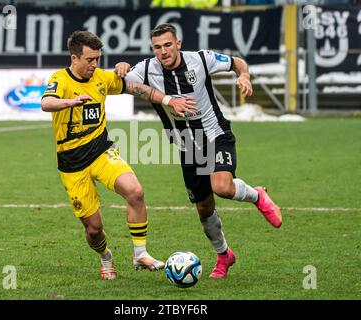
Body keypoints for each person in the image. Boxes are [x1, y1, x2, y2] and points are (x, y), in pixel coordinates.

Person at [121, 23, 282, 279]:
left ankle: (257, 195)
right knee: (204, 209)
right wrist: (122, 69)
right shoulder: (147, 68)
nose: (163, 51)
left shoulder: (201, 60)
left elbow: (237, 62)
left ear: (178, 44)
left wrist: (244, 75)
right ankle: (224, 255)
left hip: (216, 135)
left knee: (222, 187)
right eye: (157, 47)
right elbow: (123, 84)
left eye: (168, 45)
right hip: (187, 146)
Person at [41, 30, 196, 280]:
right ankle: (106, 257)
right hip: (72, 164)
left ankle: (140, 253)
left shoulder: (102, 78)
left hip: (101, 152)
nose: (94, 65)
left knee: (135, 191)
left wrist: (168, 100)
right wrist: (70, 103)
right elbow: (46, 102)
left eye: (98, 59)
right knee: (94, 230)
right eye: (90, 60)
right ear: (74, 58)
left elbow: (137, 88)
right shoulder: (60, 79)